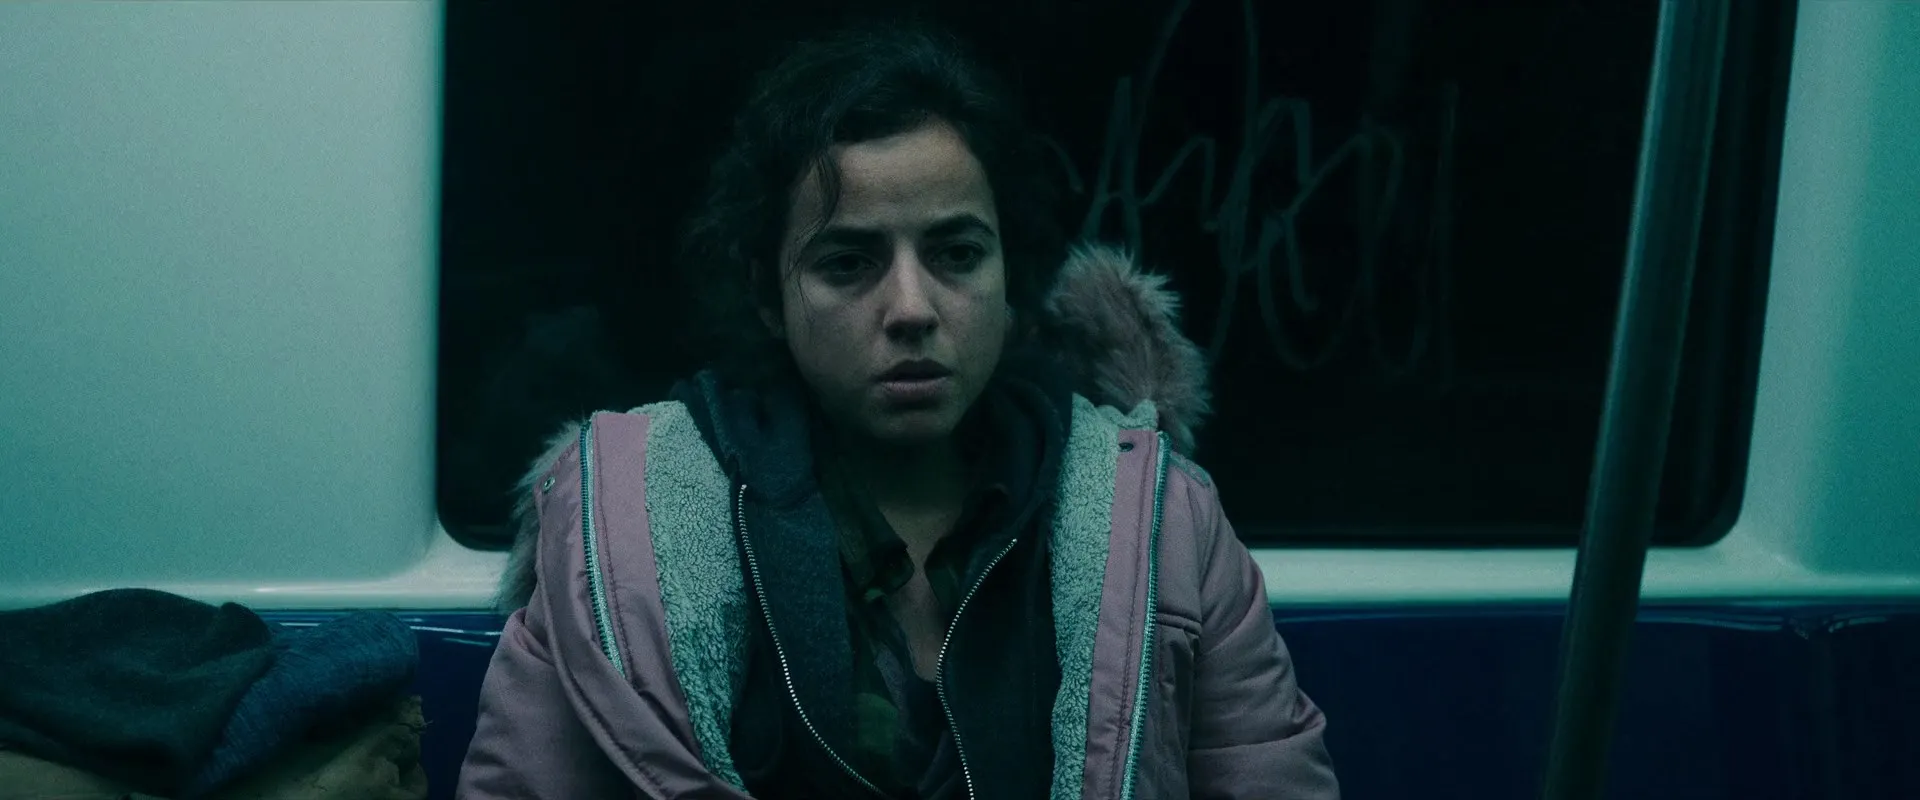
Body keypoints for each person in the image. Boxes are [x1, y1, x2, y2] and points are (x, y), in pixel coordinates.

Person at [458, 21, 1337, 800]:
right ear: (769, 295)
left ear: (1011, 276)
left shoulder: (1162, 527)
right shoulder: (625, 535)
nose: (912, 308)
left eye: (957, 254)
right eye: (848, 263)